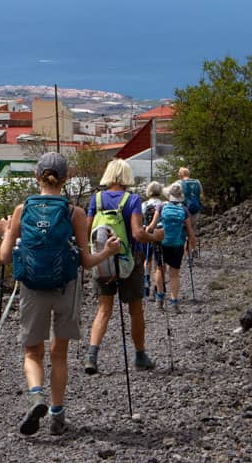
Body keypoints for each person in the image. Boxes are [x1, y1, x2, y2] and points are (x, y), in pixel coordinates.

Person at [0, 152, 121, 437]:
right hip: (65, 287)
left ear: (36, 176)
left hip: (31, 288)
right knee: (60, 353)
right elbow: (87, 261)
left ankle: (36, 396)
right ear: (66, 179)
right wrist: (108, 251)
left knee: (32, 351)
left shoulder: (22, 210)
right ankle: (57, 415)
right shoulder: (73, 213)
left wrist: (6, 232)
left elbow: (5, 256)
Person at [84, 158, 164, 375]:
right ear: (126, 176)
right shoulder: (132, 199)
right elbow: (138, 233)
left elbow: (87, 229)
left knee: (103, 309)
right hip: (129, 260)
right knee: (135, 310)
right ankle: (140, 355)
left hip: (102, 259)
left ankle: (92, 356)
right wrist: (155, 236)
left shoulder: (97, 198)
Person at [155, 182, 197, 313]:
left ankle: (159, 299)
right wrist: (192, 247)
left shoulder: (161, 206)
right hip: (177, 245)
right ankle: (174, 302)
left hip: (162, 242)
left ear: (168, 195)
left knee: (159, 270)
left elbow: (152, 226)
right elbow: (190, 232)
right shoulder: (184, 210)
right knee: (174, 274)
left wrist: (148, 235)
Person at [141, 181, 165, 299]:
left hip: (146, 232)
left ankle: (146, 285)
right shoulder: (162, 204)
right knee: (158, 262)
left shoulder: (144, 204)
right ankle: (158, 287)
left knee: (147, 259)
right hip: (159, 233)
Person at [178, 166, 204, 231]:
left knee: (183, 230)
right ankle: (191, 240)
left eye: (178, 173)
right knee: (192, 230)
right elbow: (201, 195)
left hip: (184, 209)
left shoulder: (179, 183)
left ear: (181, 174)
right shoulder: (197, 182)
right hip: (195, 208)